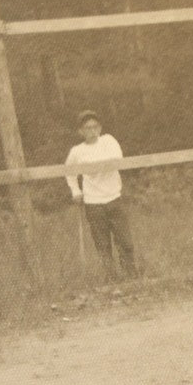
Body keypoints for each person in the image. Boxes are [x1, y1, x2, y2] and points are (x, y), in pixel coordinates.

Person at [65, 110, 138, 279]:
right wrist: (76, 191)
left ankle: (131, 277)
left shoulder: (108, 141)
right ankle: (112, 279)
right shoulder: (77, 151)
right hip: (93, 203)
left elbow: (117, 159)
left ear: (100, 128)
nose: (92, 131)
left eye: (95, 127)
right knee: (102, 244)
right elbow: (69, 172)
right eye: (87, 128)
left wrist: (99, 165)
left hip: (113, 197)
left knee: (125, 241)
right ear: (80, 131)